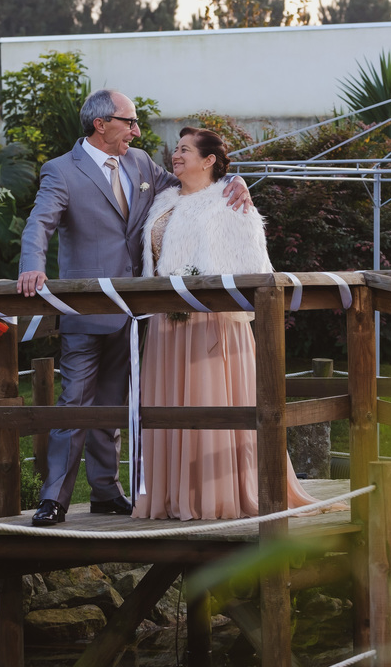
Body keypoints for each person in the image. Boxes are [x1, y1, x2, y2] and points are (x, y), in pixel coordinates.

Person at [17, 91, 249, 526]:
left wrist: (234, 183)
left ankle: (106, 492)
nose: (138, 131)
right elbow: (39, 224)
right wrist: (32, 268)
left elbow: (191, 185)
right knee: (74, 406)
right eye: (131, 122)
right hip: (85, 313)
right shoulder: (62, 171)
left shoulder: (141, 163)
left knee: (115, 406)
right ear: (101, 124)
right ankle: (54, 499)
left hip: (135, 314)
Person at [133, 128, 325, 520]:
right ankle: (173, 496)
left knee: (211, 405)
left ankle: (216, 496)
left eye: (185, 150)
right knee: (168, 409)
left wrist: (208, 296)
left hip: (212, 326)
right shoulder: (162, 201)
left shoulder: (231, 203)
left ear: (208, 161)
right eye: (176, 149)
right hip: (167, 329)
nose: (176, 155)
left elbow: (254, 268)